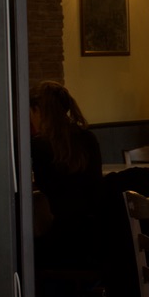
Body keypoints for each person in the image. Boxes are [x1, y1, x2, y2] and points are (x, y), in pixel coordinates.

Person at [30, 80, 104, 269]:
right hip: (96, 236)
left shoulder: (39, 146)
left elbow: (45, 189)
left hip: (60, 241)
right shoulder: (88, 138)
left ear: (38, 110)